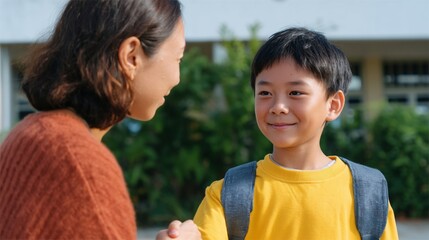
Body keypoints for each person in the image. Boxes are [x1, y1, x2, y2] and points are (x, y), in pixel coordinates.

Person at [0, 0, 201, 239]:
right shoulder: (81, 165)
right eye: (178, 58)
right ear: (131, 56)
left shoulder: (29, 133)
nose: (177, 78)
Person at [193, 27, 398, 239]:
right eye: (265, 93)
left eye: (295, 93)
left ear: (333, 105)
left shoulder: (369, 194)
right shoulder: (226, 195)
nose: (278, 106)